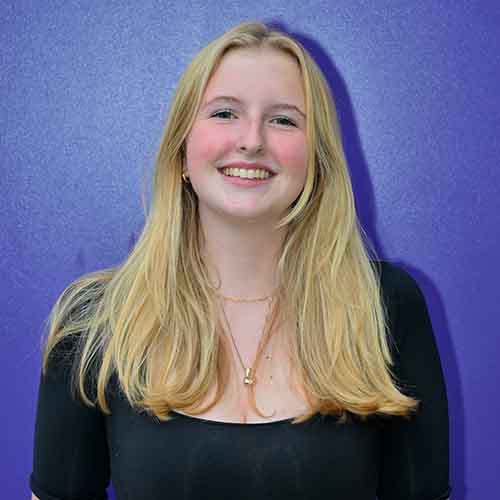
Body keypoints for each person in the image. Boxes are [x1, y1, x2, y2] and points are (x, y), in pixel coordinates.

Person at [30, 21, 451, 500]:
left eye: (283, 120)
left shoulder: (386, 306)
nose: (252, 140)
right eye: (225, 113)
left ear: (317, 159)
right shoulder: (92, 323)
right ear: (181, 151)